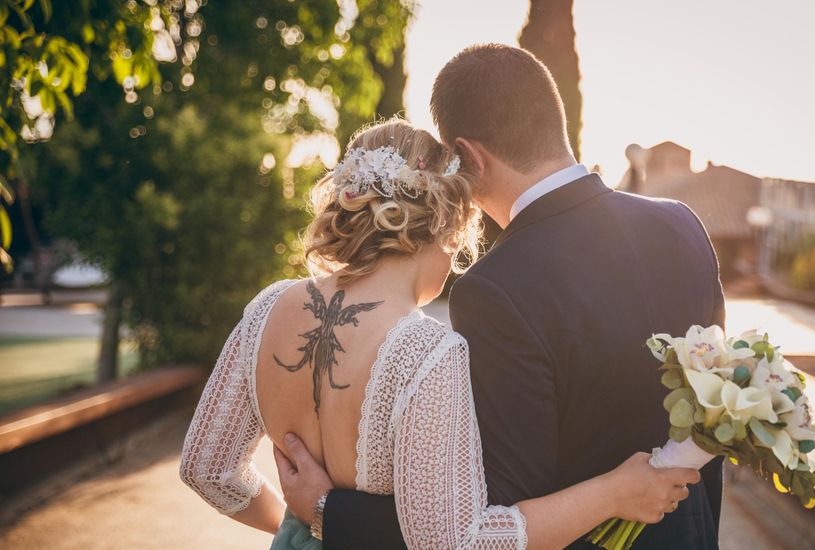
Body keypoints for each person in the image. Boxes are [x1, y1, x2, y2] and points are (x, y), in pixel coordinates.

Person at [276, 44, 726, 550]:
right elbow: (716, 419)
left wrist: (327, 512)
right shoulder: (682, 225)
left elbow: (489, 514)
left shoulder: (495, 288)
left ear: (470, 157)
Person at [179, 118, 700, 549]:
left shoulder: (268, 307)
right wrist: (612, 493)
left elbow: (206, 468)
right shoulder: (425, 353)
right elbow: (460, 542)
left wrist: (302, 528)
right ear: (447, 227)